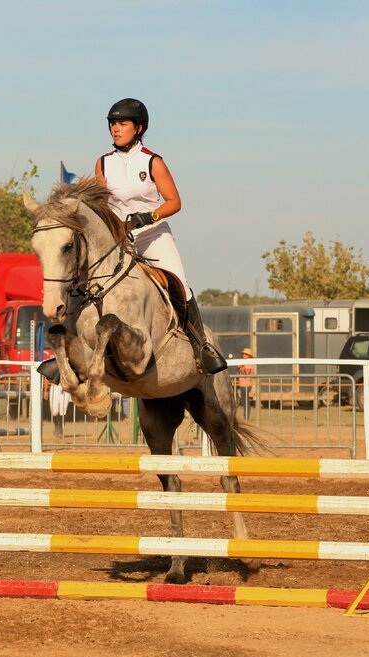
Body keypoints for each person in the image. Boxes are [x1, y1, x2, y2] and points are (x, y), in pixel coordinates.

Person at [95, 98, 226, 374]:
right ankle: (76, 349)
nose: (115, 129)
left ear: (138, 127)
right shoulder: (103, 164)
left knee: (180, 283)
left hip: (152, 236)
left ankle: (200, 345)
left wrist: (149, 216)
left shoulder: (153, 161)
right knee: (88, 280)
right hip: (120, 240)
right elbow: (99, 204)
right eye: (112, 124)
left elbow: (174, 201)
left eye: (122, 124)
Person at [236, 347, 255, 418]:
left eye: (245, 354)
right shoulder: (242, 362)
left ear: (249, 356)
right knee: (243, 401)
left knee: (246, 401)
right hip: (242, 384)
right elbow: (238, 373)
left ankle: (246, 417)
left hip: (247, 384)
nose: (243, 355)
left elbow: (247, 372)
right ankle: (245, 416)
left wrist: (241, 366)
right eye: (243, 354)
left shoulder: (250, 363)